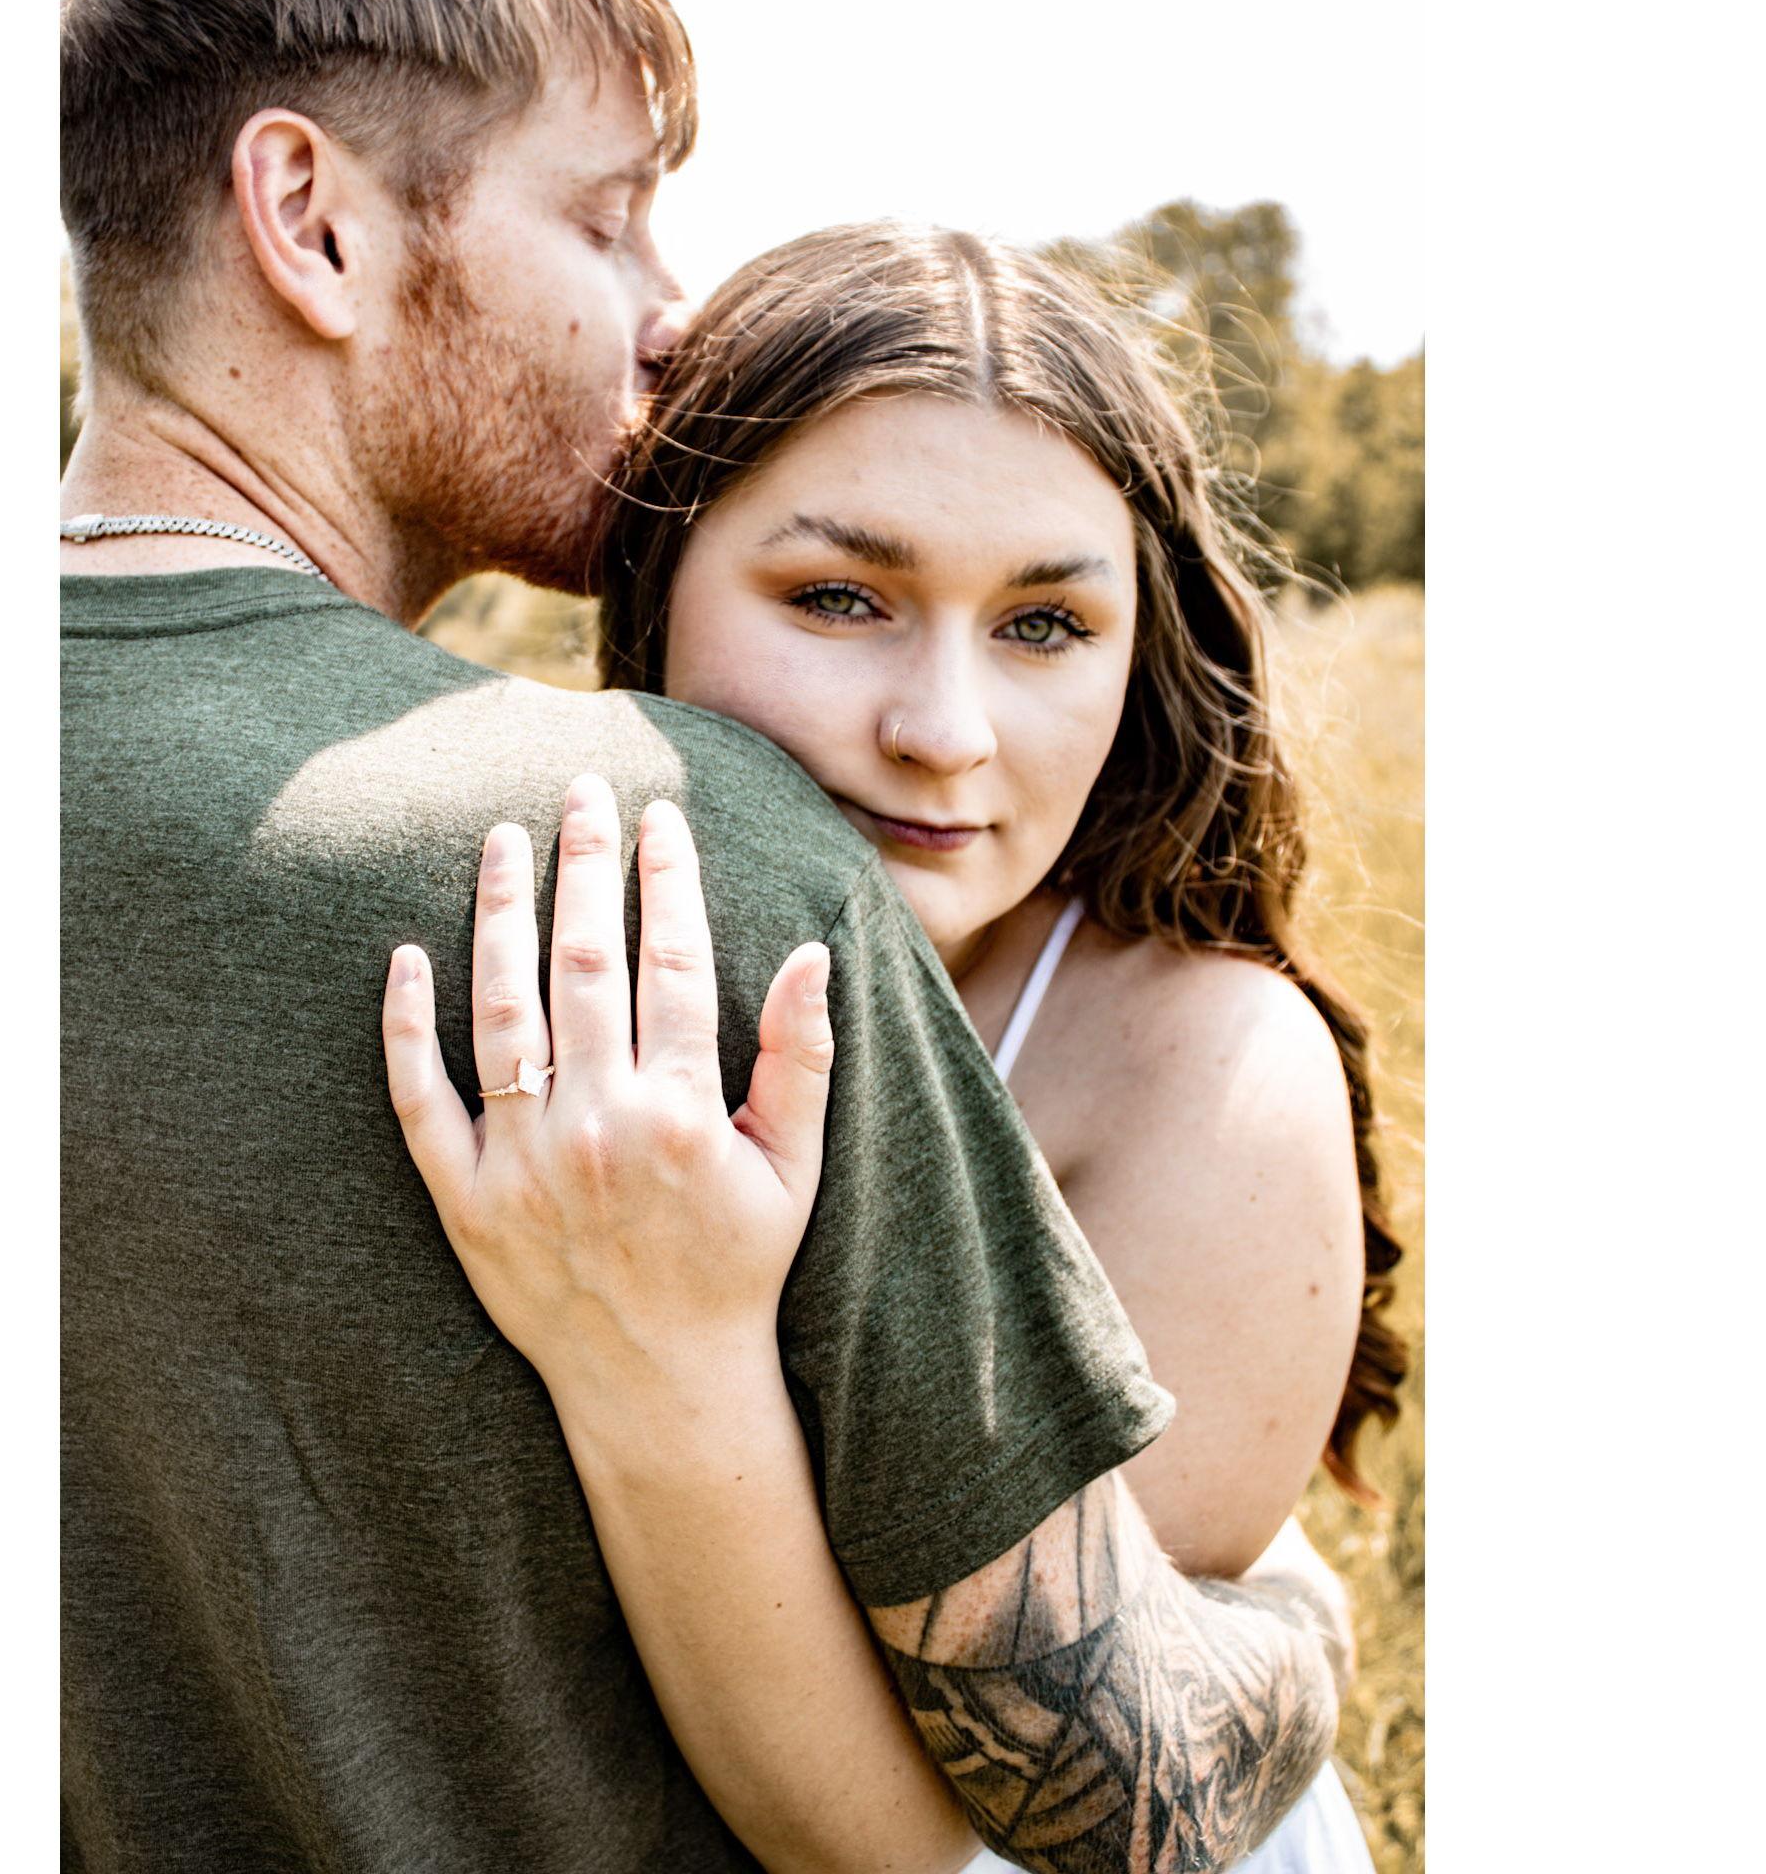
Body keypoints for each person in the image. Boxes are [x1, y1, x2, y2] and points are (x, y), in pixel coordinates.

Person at [62, 0, 1349, 1869]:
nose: (666, 320)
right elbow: (1074, 1792)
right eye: (609, 220)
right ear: (309, 221)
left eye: (1045, 622)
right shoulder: (659, 857)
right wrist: (1288, 1621)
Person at [384, 224, 1406, 1870]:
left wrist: (658, 1354)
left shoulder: (1204, 1072)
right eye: (840, 598)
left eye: (1044, 625)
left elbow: (930, 1839)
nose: (943, 730)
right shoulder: (512, 942)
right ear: (655, 579)